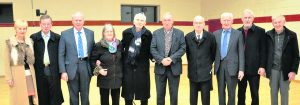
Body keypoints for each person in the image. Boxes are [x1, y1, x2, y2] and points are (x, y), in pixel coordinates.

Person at [58, 12, 95, 105]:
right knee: (73, 96)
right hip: (70, 68)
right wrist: (63, 71)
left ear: (83, 21)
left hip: (85, 67)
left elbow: (93, 51)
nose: (78, 22)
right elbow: (61, 54)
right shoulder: (65, 34)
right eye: (76, 20)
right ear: (72, 21)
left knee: (85, 95)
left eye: (80, 20)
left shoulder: (90, 33)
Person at [150, 12, 186, 105]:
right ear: (162, 22)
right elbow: (152, 48)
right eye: (165, 20)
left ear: (172, 21)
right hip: (160, 68)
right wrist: (161, 60)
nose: (167, 22)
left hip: (174, 67)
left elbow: (183, 48)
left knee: (174, 95)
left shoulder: (180, 33)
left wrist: (171, 58)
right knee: (160, 94)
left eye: (169, 20)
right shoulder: (156, 33)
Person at [30, 15, 64, 105]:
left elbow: (61, 55)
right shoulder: (34, 38)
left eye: (48, 24)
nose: (46, 26)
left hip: (53, 71)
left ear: (51, 24)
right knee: (42, 96)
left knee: (55, 96)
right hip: (39, 71)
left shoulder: (57, 38)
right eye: (44, 24)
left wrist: (62, 71)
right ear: (40, 24)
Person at [265, 15, 299, 105]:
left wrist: (293, 70)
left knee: (284, 94)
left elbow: (296, 55)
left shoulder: (292, 35)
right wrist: (264, 67)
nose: (277, 24)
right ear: (272, 23)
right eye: (275, 22)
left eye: (279, 22)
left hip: (286, 70)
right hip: (273, 70)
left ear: (284, 22)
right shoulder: (268, 35)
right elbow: (265, 53)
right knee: (273, 93)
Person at [4, 19, 39, 105]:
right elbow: (6, 62)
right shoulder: (10, 43)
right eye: (20, 28)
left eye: (24, 28)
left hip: (30, 75)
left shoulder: (30, 42)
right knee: (19, 99)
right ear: (15, 29)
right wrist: (9, 77)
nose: (22, 31)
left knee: (31, 98)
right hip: (17, 75)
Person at [213, 12, 245, 105]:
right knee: (221, 91)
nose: (226, 22)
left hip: (233, 67)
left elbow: (241, 53)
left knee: (231, 93)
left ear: (232, 21)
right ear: (220, 21)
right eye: (224, 20)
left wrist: (241, 70)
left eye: (228, 20)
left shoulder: (238, 34)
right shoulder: (215, 34)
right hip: (219, 67)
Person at [121, 13, 153, 105]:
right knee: (128, 92)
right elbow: (122, 46)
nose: (139, 22)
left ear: (145, 23)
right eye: (138, 19)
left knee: (143, 92)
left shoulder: (148, 34)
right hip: (128, 66)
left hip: (142, 67)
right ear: (134, 21)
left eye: (142, 20)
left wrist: (154, 58)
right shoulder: (126, 32)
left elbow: (150, 49)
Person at [237, 9, 266, 105]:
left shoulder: (260, 31)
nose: (247, 19)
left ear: (253, 18)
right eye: (245, 17)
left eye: (249, 17)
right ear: (242, 19)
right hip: (241, 70)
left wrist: (262, 66)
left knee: (254, 94)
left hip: (255, 69)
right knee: (240, 93)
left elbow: (263, 50)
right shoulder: (237, 32)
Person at [185, 16, 216, 105]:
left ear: (204, 24)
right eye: (196, 23)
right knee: (193, 99)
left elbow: (213, 54)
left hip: (206, 73)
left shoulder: (211, 37)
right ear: (193, 24)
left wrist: (207, 64)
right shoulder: (188, 37)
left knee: (206, 99)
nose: (198, 25)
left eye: (200, 23)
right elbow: (188, 54)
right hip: (193, 73)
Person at [90, 24, 122, 105]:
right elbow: (92, 61)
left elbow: (122, 59)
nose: (109, 33)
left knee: (116, 101)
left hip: (116, 77)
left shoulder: (119, 44)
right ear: (103, 33)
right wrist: (99, 69)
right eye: (107, 31)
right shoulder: (98, 46)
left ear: (114, 33)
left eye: (111, 31)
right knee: (104, 101)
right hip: (104, 78)